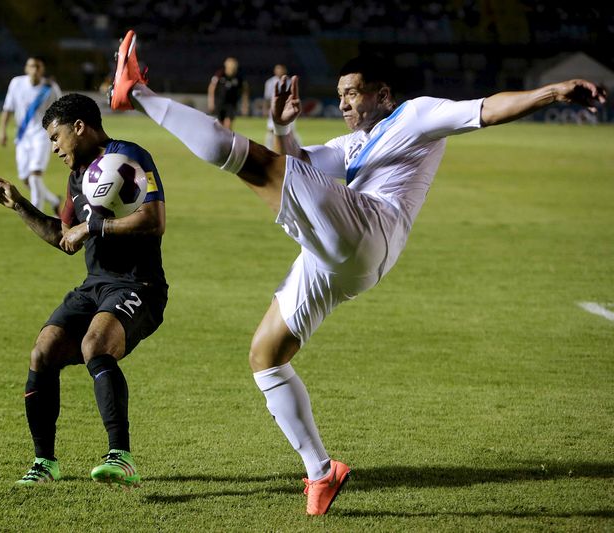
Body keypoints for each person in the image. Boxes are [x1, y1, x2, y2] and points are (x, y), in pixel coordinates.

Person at [108, 30, 607, 515]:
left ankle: (138, 94)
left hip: (371, 228)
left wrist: (554, 91)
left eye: (354, 93)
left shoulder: (416, 114)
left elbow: (485, 109)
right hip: (346, 256)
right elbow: (298, 163)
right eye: (341, 94)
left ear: (382, 94)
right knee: (266, 355)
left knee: (252, 165)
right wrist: (282, 127)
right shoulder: (351, 147)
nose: (345, 103)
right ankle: (321, 472)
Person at [0, 93, 168, 489]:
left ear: (79, 127)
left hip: (140, 284)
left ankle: (121, 456)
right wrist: (20, 206)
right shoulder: (76, 177)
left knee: (95, 345)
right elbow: (65, 238)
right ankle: (44, 462)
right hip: (95, 285)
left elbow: (153, 220)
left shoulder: (128, 157)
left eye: (56, 137)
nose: (54, 148)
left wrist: (94, 227)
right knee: (43, 350)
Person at [0, 56, 63, 215]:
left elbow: (62, 111)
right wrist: (2, 130)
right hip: (22, 136)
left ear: (42, 69)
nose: (34, 70)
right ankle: (54, 201)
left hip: (42, 135)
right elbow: (8, 107)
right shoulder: (16, 83)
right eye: (31, 66)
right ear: (26, 68)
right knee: (26, 179)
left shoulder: (50, 88)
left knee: (35, 176)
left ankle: (36, 214)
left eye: (38, 67)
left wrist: (59, 136)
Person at [263, 64, 301, 150]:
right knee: (271, 131)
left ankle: (299, 148)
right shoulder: (269, 82)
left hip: (287, 110)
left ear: (285, 70)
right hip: (274, 110)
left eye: (280, 69)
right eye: (277, 69)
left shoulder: (290, 82)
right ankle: (268, 149)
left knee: (291, 131)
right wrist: (265, 109)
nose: (279, 71)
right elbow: (267, 98)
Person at [207, 57, 249, 130]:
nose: (232, 68)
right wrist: (211, 102)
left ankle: (227, 140)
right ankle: (221, 140)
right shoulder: (220, 74)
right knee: (220, 125)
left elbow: (245, 91)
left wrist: (244, 105)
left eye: (234, 66)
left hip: (231, 104)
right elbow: (211, 88)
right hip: (220, 102)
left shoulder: (239, 77)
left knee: (228, 126)